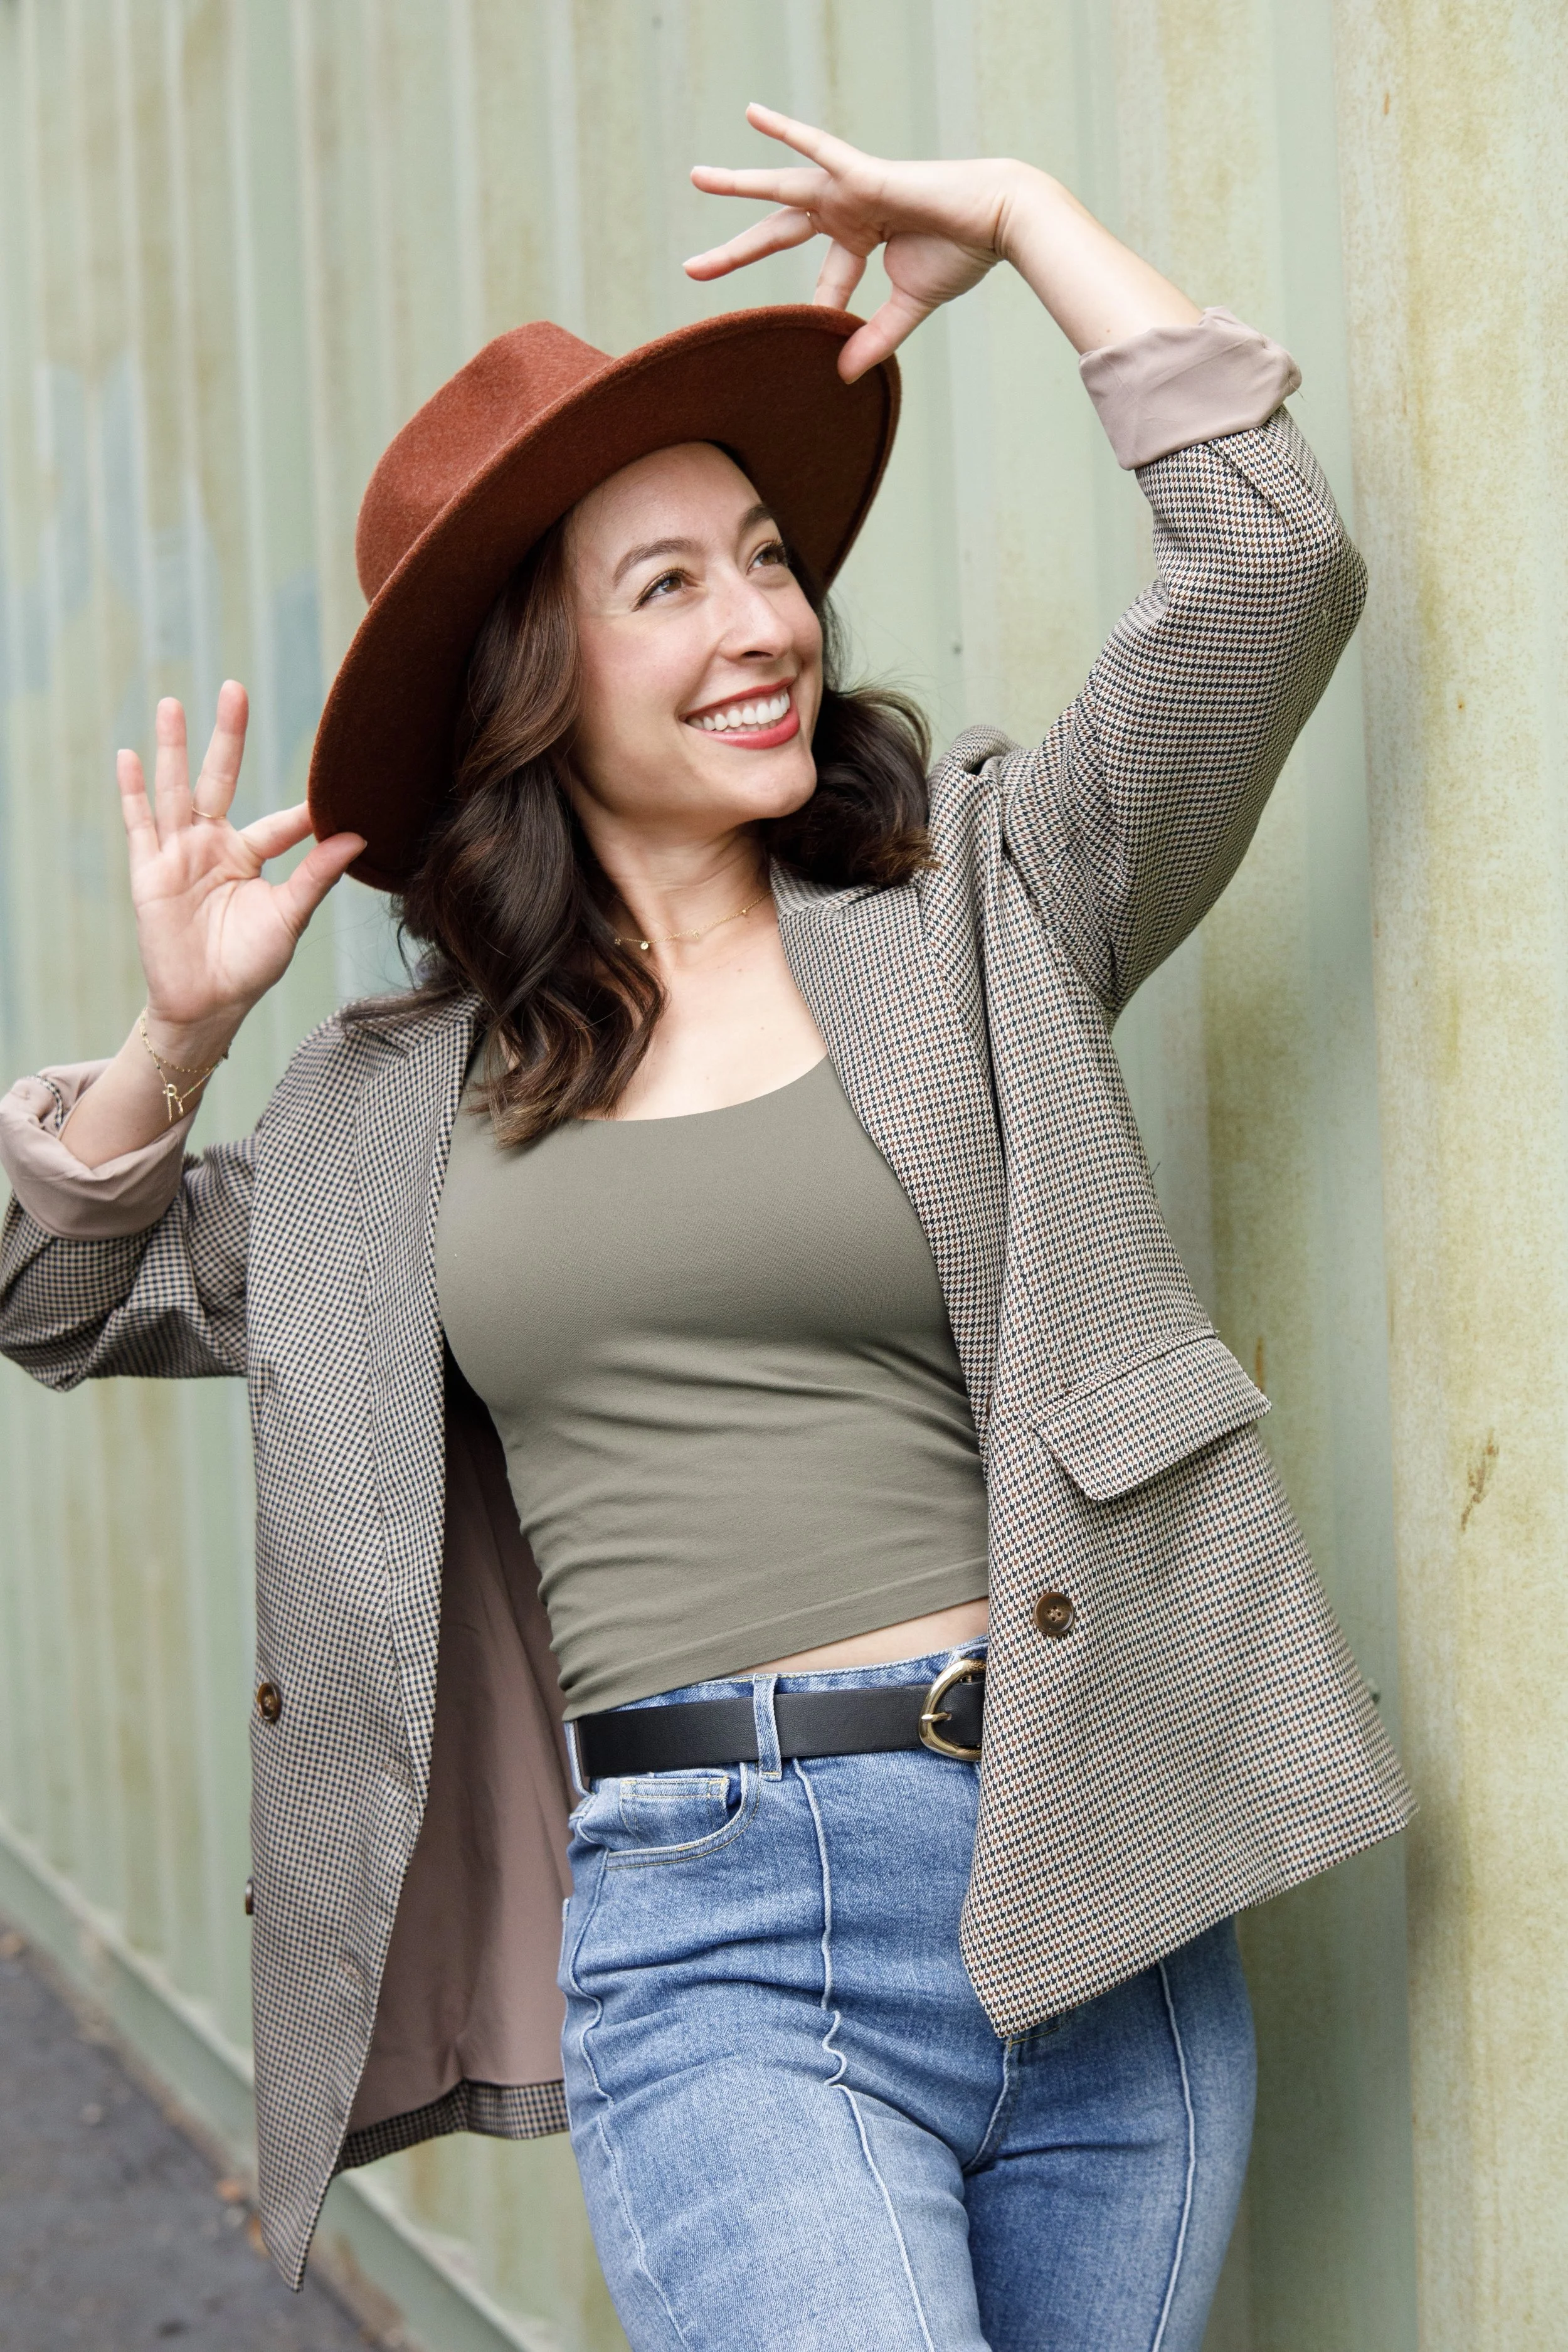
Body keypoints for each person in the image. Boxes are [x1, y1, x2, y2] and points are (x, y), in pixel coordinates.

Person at [0, 105, 1410, 2352]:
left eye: (767, 556)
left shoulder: (979, 908)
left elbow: (1267, 568)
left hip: (1102, 1876)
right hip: (718, 1930)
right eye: (670, 587)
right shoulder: (392, 1123)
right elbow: (52, 1291)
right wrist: (171, 1043)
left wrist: (1031, 220)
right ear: (524, 687)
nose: (765, 620)